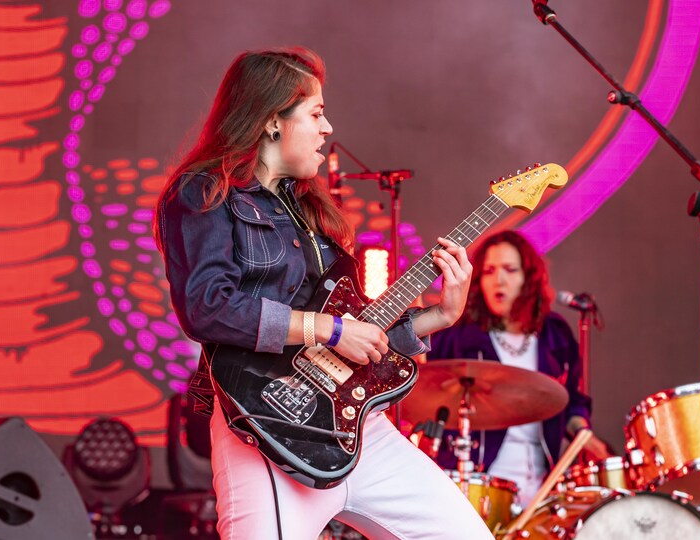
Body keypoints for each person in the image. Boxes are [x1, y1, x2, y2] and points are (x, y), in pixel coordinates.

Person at [153, 47, 493, 539]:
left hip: (354, 428)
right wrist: (329, 330)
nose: (328, 127)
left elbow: (359, 329)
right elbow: (207, 307)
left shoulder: (314, 213)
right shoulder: (204, 192)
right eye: (315, 112)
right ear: (273, 121)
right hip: (265, 429)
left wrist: (438, 315)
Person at [427, 230, 609, 507]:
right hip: (477, 482)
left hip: (543, 484)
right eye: (489, 271)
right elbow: (427, 390)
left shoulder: (554, 333)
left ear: (528, 278)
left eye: (510, 270)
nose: (499, 279)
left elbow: (570, 401)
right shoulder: (457, 335)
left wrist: (585, 435)